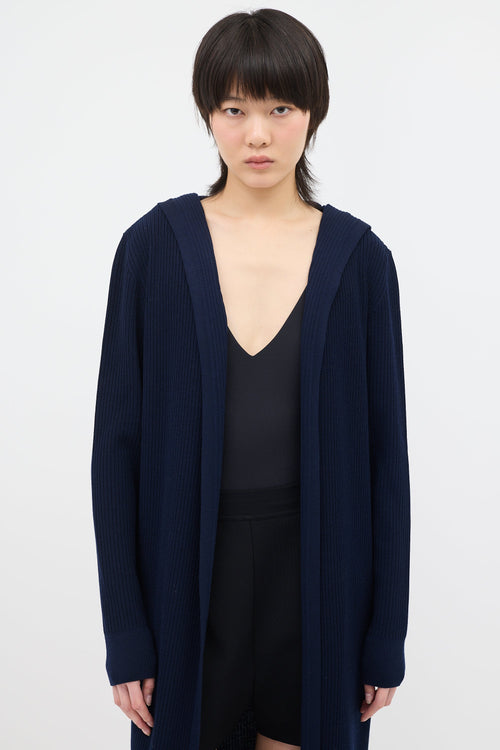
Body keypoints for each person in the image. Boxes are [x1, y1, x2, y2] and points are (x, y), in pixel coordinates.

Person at [91, 8, 411, 750]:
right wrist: (126, 634)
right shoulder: (151, 250)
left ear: (313, 113)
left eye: (280, 109)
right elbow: (116, 451)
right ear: (208, 113)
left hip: (320, 585)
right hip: (185, 583)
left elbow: (385, 460)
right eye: (235, 109)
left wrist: (385, 634)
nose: (258, 135)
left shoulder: (361, 261)